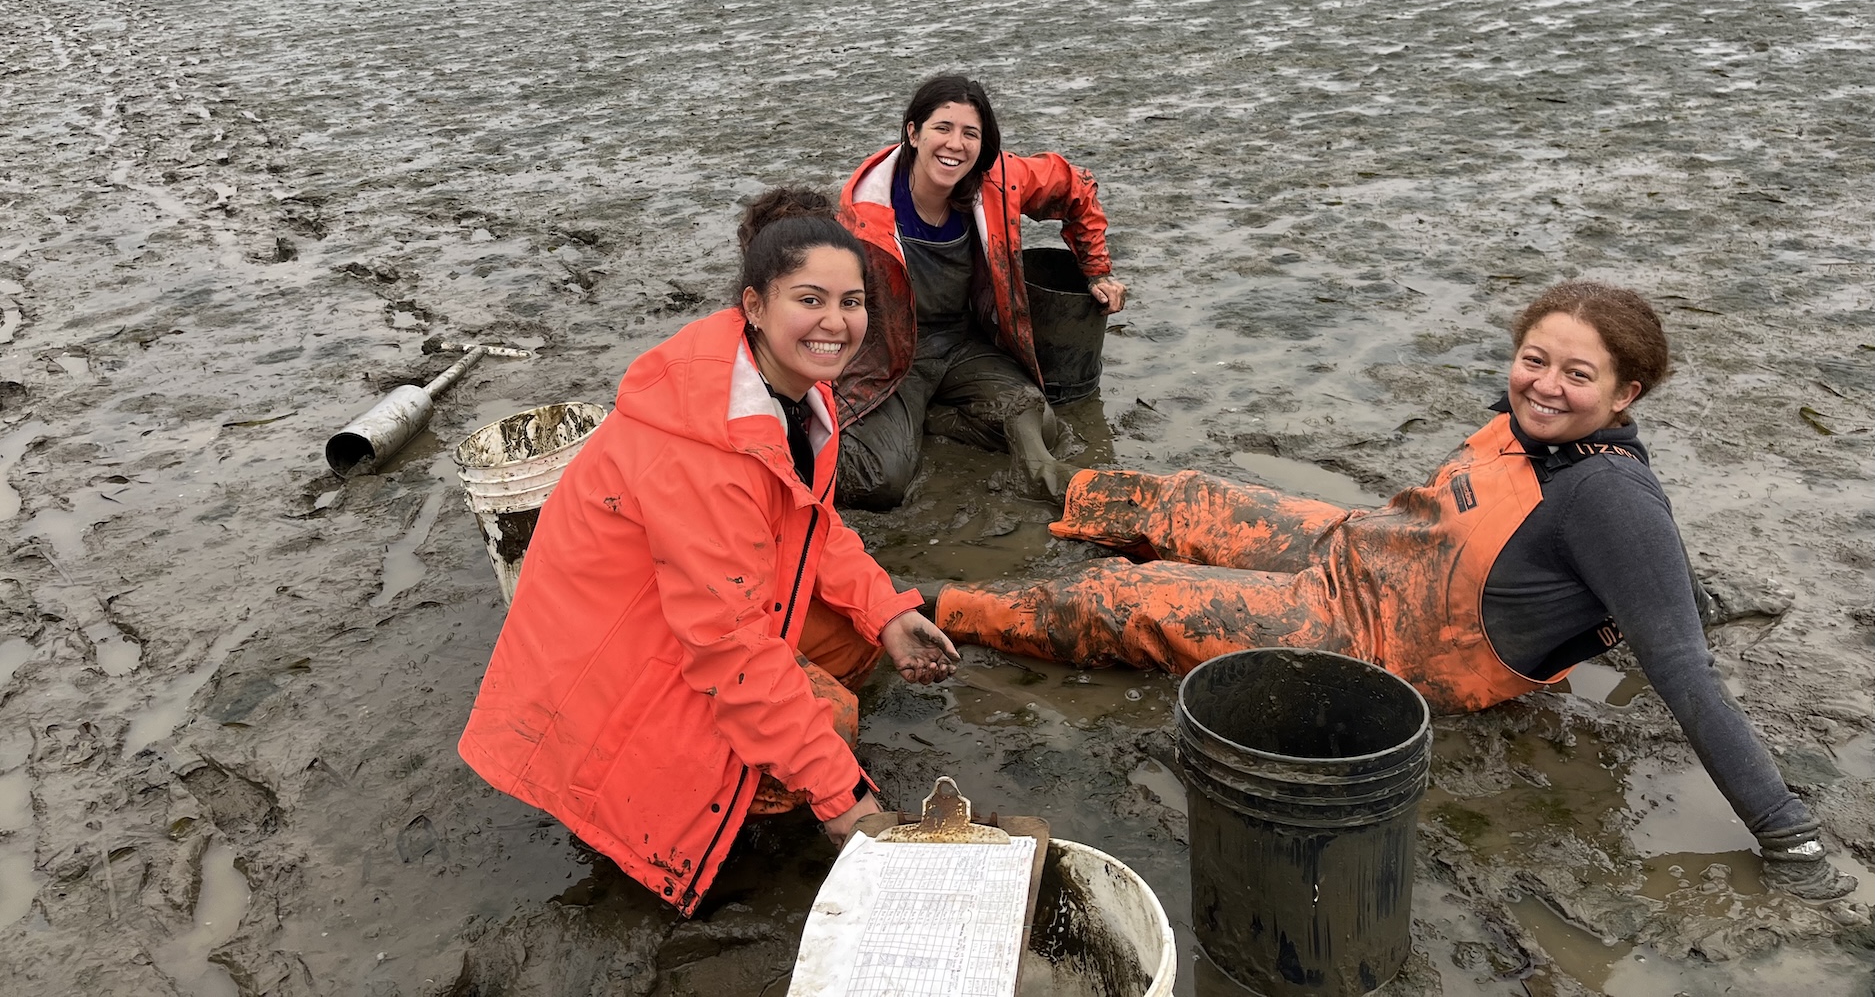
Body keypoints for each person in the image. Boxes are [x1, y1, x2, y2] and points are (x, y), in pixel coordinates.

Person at [931, 281, 1854, 900]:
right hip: (1355, 547)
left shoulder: (1608, 497)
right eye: (1535, 359)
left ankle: (930, 605)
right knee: (1187, 494)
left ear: (1626, 395)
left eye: (1579, 375)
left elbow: (1684, 671)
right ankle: (1062, 491)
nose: (1545, 384)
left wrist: (1789, 836)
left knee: (1120, 602)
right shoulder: (1526, 426)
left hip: (1361, 638)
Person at [457, 188, 960, 917]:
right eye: (809, 299)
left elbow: (810, 525)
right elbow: (728, 647)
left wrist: (886, 611)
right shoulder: (704, 452)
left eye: (851, 302)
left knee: (852, 644)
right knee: (807, 749)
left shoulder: (789, 393)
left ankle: (769, 743)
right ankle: (653, 798)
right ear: (754, 305)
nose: (836, 322)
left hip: (670, 615)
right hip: (605, 668)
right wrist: (842, 798)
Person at [834, 74, 1127, 509]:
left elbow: (1075, 185)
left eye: (970, 133)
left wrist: (1097, 271)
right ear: (913, 133)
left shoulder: (999, 180)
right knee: (880, 482)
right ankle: (910, 421)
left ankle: (939, 420)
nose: (955, 144)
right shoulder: (862, 213)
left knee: (1040, 424)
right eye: (942, 128)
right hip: (894, 355)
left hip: (962, 342)